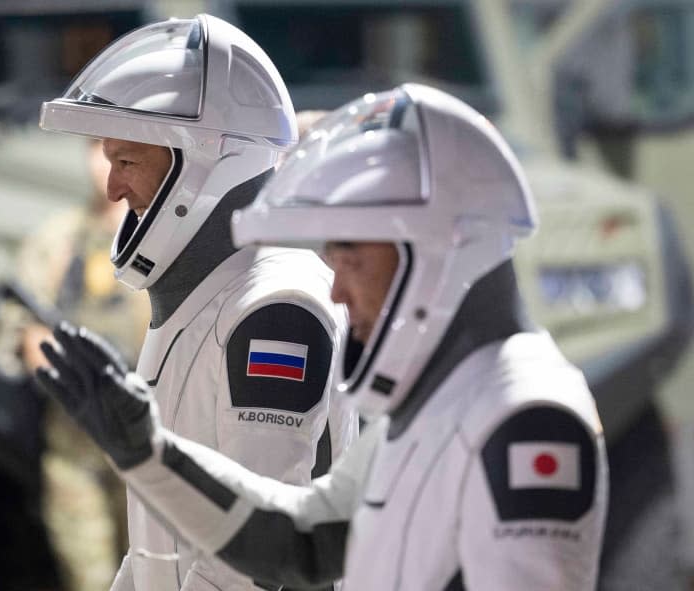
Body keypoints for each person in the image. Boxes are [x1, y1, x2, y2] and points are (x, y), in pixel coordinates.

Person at [38, 83, 609, 590]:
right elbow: (299, 540)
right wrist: (148, 451)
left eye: (352, 258)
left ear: (440, 250)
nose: (335, 291)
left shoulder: (530, 418)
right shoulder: (436, 407)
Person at [38, 14, 356, 591]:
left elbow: (255, 561)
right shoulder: (199, 302)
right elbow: (156, 553)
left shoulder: (276, 309)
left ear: (203, 165)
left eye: (127, 160)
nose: (112, 188)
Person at [0, 138, 149, 591]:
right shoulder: (59, 238)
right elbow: (24, 329)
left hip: (149, 438)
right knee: (90, 577)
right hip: (75, 441)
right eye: (96, 148)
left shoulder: (161, 238)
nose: (104, 163)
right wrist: (65, 365)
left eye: (117, 151)